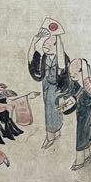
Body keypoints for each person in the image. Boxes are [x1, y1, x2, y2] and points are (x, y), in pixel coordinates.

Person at [56, 56, 91, 170]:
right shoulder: (77, 83)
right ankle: (86, 153)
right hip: (81, 112)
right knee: (87, 129)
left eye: (75, 73)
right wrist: (63, 101)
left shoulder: (90, 83)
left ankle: (80, 159)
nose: (72, 76)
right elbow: (70, 93)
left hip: (85, 112)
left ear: (83, 71)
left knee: (82, 132)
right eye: (71, 73)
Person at [28, 19, 69, 150]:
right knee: (50, 110)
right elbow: (33, 61)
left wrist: (63, 92)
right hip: (46, 88)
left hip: (57, 89)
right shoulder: (44, 57)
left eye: (52, 42)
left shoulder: (62, 58)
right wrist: (34, 41)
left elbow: (66, 76)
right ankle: (55, 133)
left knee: (53, 111)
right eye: (46, 41)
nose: (46, 44)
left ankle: (50, 137)